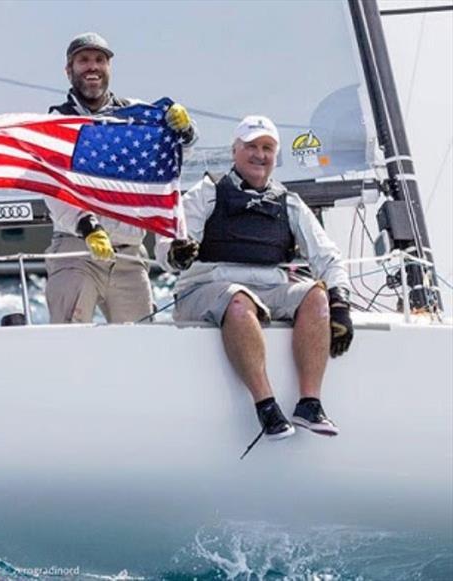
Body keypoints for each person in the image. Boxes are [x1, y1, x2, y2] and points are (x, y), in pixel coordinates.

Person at [155, 115, 354, 439]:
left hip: (269, 285)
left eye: (267, 148)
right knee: (238, 300)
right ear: (235, 151)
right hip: (205, 287)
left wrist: (340, 302)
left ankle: (309, 404)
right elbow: (166, 246)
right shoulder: (207, 192)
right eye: (251, 147)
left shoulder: (289, 202)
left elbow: (327, 255)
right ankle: (266, 406)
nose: (259, 155)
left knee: (316, 295)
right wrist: (175, 253)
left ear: (275, 156)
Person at [44, 32, 199, 324]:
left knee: (142, 346)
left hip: (129, 254)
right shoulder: (56, 122)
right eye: (84, 60)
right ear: (69, 70)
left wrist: (185, 130)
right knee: (68, 341)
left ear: (109, 68)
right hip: (76, 251)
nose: (92, 67)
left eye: (100, 60)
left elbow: (168, 163)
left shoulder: (135, 115)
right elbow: (54, 187)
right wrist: (87, 226)